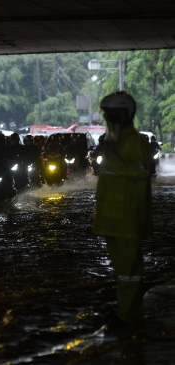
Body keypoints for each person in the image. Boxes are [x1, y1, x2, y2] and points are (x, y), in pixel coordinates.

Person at [91, 91, 153, 330]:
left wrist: (111, 158)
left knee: (128, 273)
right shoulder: (116, 140)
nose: (108, 120)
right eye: (107, 115)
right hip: (114, 218)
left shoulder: (134, 141)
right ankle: (126, 312)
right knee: (123, 271)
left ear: (125, 115)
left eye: (112, 115)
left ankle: (128, 318)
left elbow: (140, 171)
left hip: (127, 218)